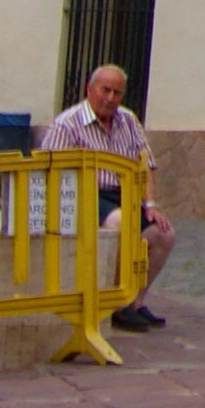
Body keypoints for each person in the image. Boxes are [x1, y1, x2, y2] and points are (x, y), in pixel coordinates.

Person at [39, 63, 173, 331]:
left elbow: (144, 164)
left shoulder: (128, 120)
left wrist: (151, 204)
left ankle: (134, 301)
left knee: (164, 234)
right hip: (85, 194)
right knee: (118, 222)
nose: (110, 98)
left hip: (124, 192)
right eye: (105, 90)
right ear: (90, 89)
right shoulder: (67, 124)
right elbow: (51, 173)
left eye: (117, 92)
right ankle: (112, 303)